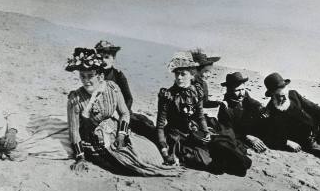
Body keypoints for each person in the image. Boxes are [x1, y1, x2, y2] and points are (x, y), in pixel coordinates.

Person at [66, 47, 180, 176]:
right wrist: (80, 158)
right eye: (82, 76)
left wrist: (121, 134)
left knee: (151, 155)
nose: (86, 81)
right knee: (123, 166)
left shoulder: (112, 88)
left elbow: (125, 113)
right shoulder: (75, 98)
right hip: (90, 138)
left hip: (113, 130)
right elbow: (74, 130)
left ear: (100, 76)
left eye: (90, 76)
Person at [156, 52, 251, 176]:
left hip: (196, 130)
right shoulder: (167, 95)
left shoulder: (197, 92)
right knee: (208, 162)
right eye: (177, 74)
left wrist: (206, 131)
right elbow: (160, 125)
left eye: (183, 74)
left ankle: (235, 161)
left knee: (220, 142)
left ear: (192, 75)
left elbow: (200, 116)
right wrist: (164, 149)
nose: (179, 77)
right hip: (178, 136)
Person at [95, 40, 157, 142]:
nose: (103, 61)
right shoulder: (94, 75)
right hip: (102, 114)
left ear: (113, 58)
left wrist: (122, 114)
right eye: (101, 57)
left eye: (107, 57)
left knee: (145, 127)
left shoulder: (118, 75)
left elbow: (129, 98)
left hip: (121, 112)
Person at [217, 72, 268, 154]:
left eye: (243, 89)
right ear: (229, 90)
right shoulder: (225, 108)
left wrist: (261, 108)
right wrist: (247, 137)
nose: (241, 93)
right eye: (237, 90)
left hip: (248, 131)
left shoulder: (245, 96)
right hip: (238, 136)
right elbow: (229, 133)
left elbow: (253, 102)